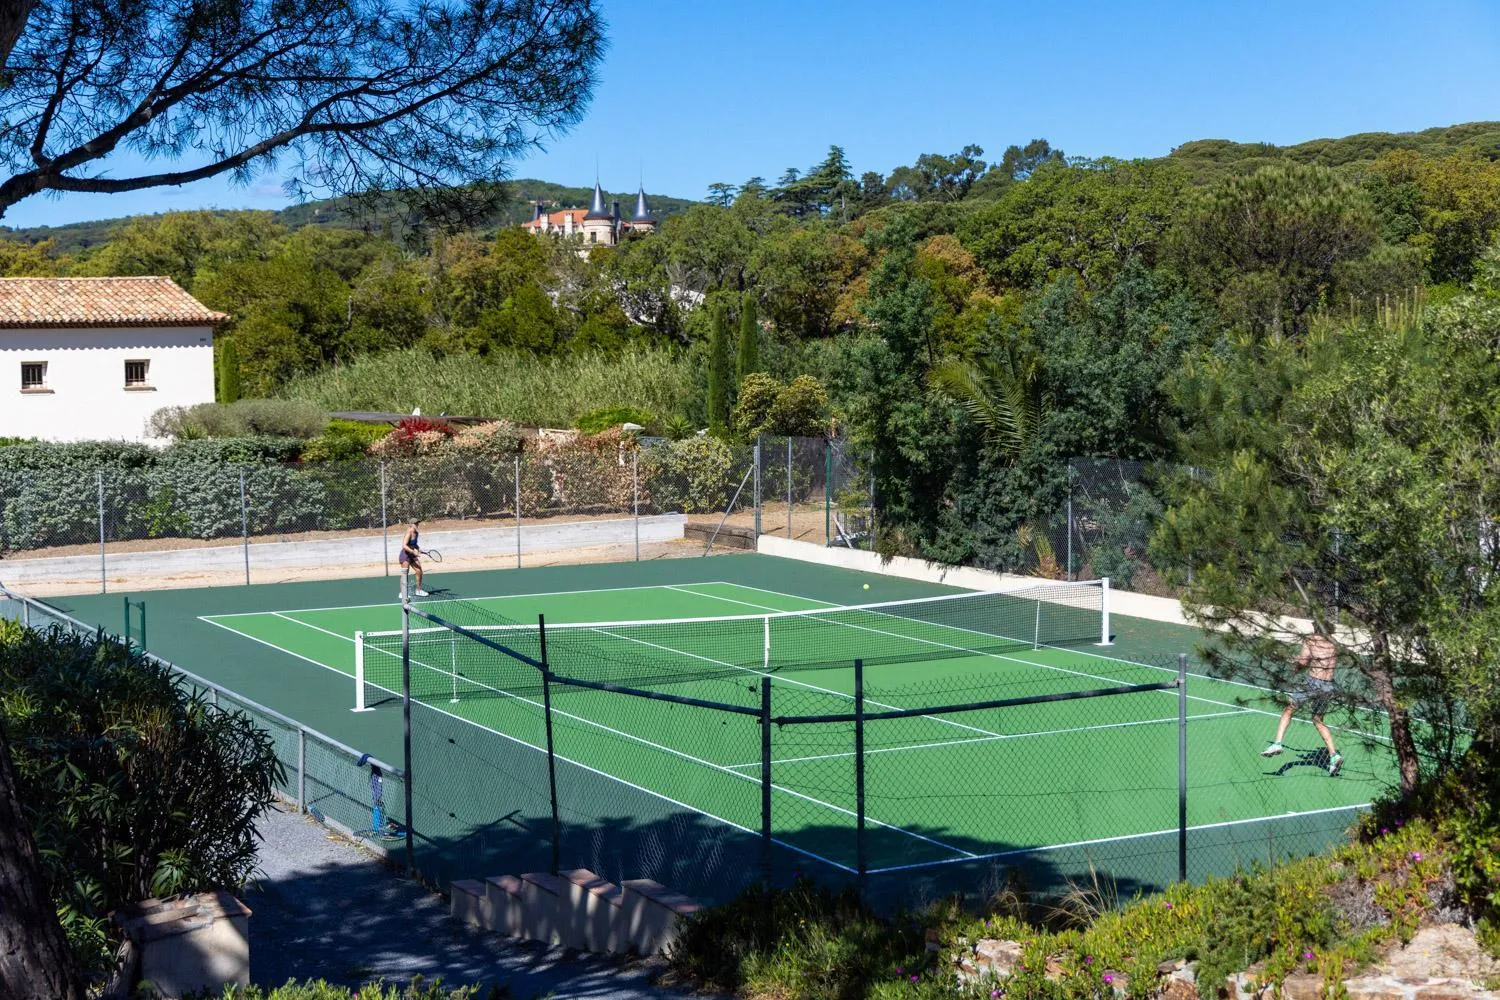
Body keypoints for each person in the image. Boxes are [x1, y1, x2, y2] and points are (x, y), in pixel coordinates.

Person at [1260, 631, 1343, 776]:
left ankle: (1277, 743)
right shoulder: (1333, 642)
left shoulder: (1310, 638)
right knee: (1318, 720)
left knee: (1288, 709)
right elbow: (1319, 660)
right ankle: (1334, 755)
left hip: (1312, 683)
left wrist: (1292, 666)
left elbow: (1303, 662)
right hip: (1328, 685)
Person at [398, 519, 429, 599]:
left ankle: (418, 590)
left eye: (418, 523)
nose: (417, 525)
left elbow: (414, 544)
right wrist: (413, 551)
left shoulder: (416, 533)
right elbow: (404, 545)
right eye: (415, 523)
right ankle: (402, 593)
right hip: (405, 555)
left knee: (419, 570)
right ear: (411, 524)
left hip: (411, 554)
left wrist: (418, 549)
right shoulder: (409, 532)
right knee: (405, 573)